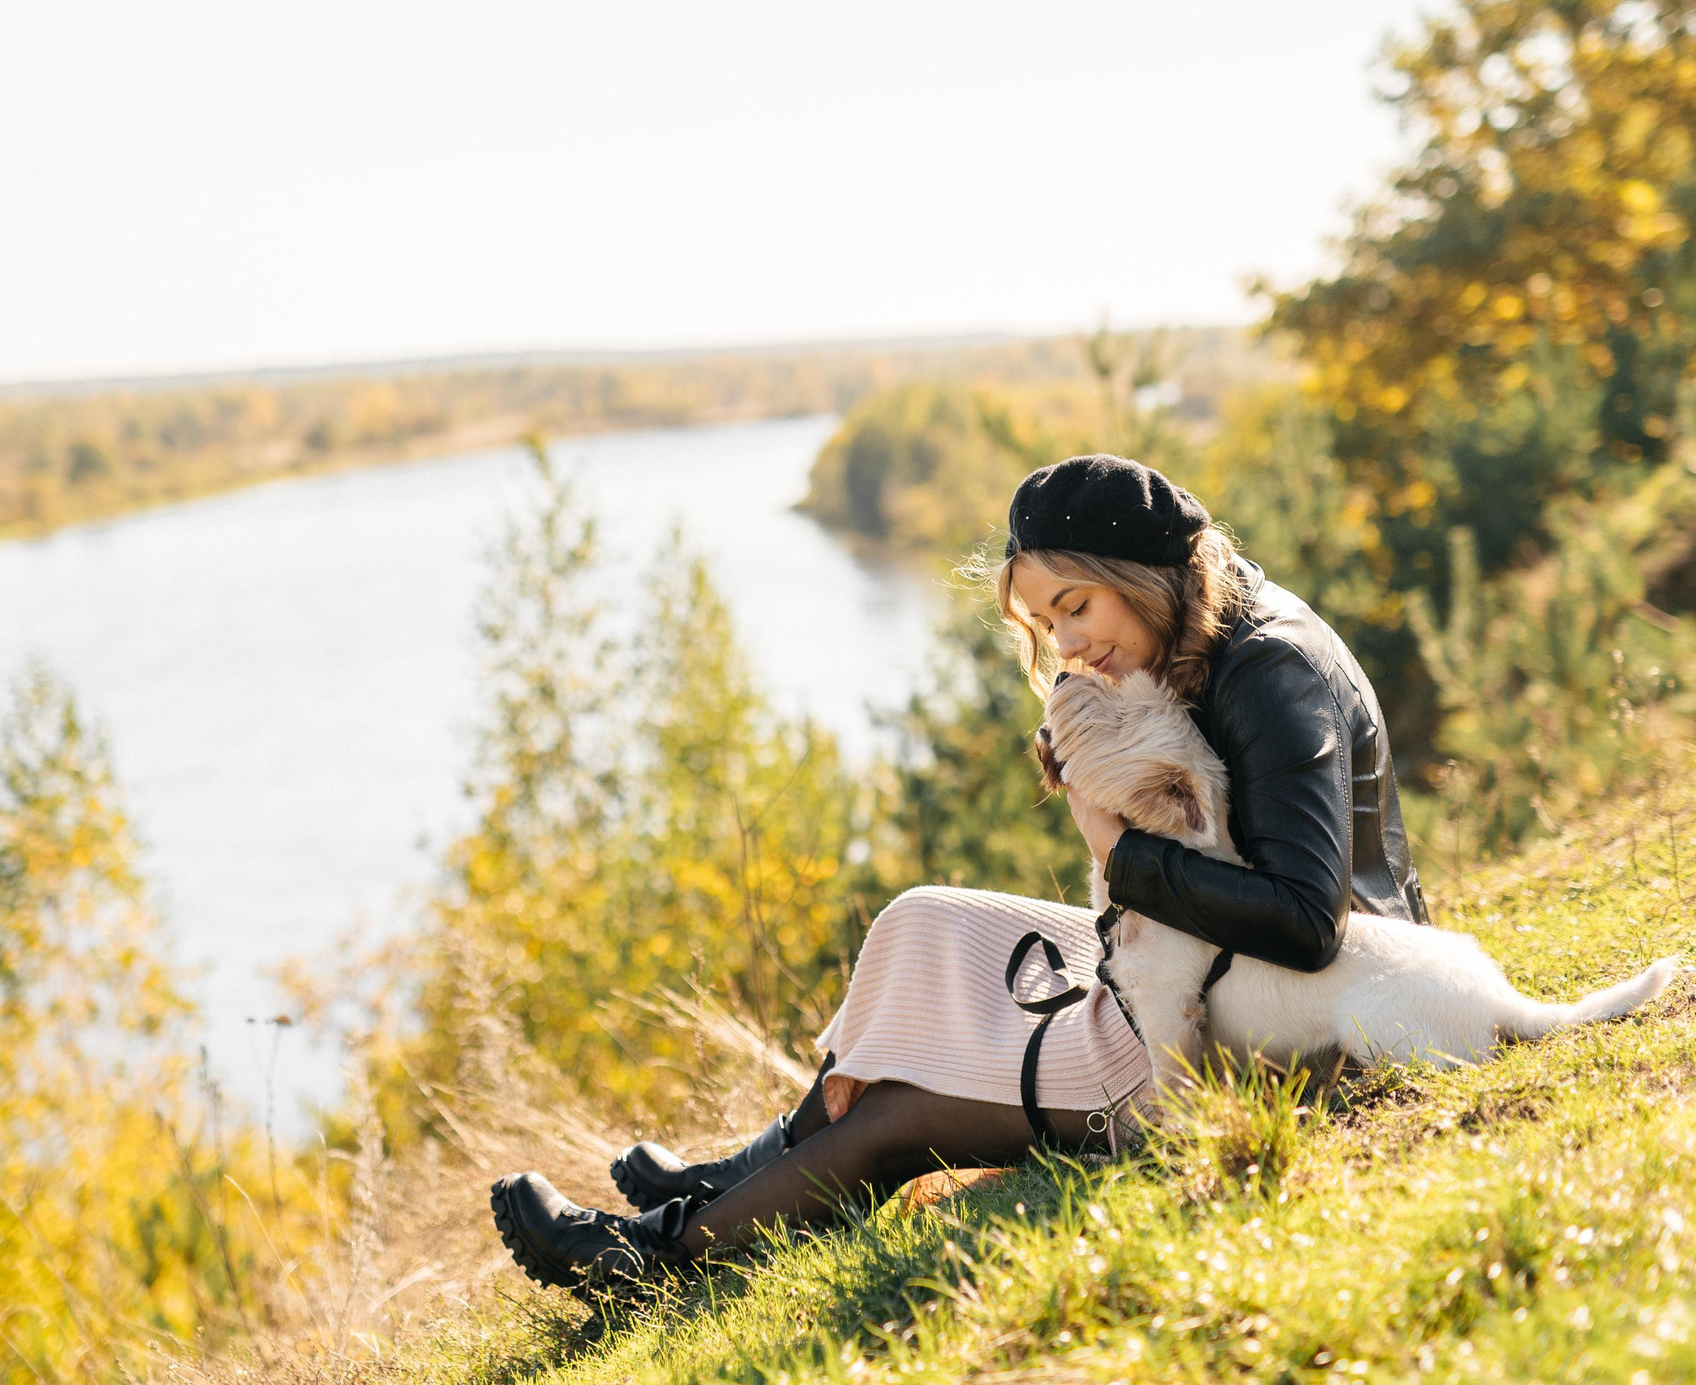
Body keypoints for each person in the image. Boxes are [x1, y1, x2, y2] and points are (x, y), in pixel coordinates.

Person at [489, 453, 1429, 1291]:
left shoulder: (1272, 669)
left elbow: (1310, 919)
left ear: (1141, 578)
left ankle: (653, 1254)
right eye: (1042, 619)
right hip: (1214, 962)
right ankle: (742, 1171)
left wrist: (1118, 849)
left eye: (1076, 607)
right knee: (926, 923)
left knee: (905, 1112)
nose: (1063, 644)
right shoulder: (1191, 627)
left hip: (1310, 1023)